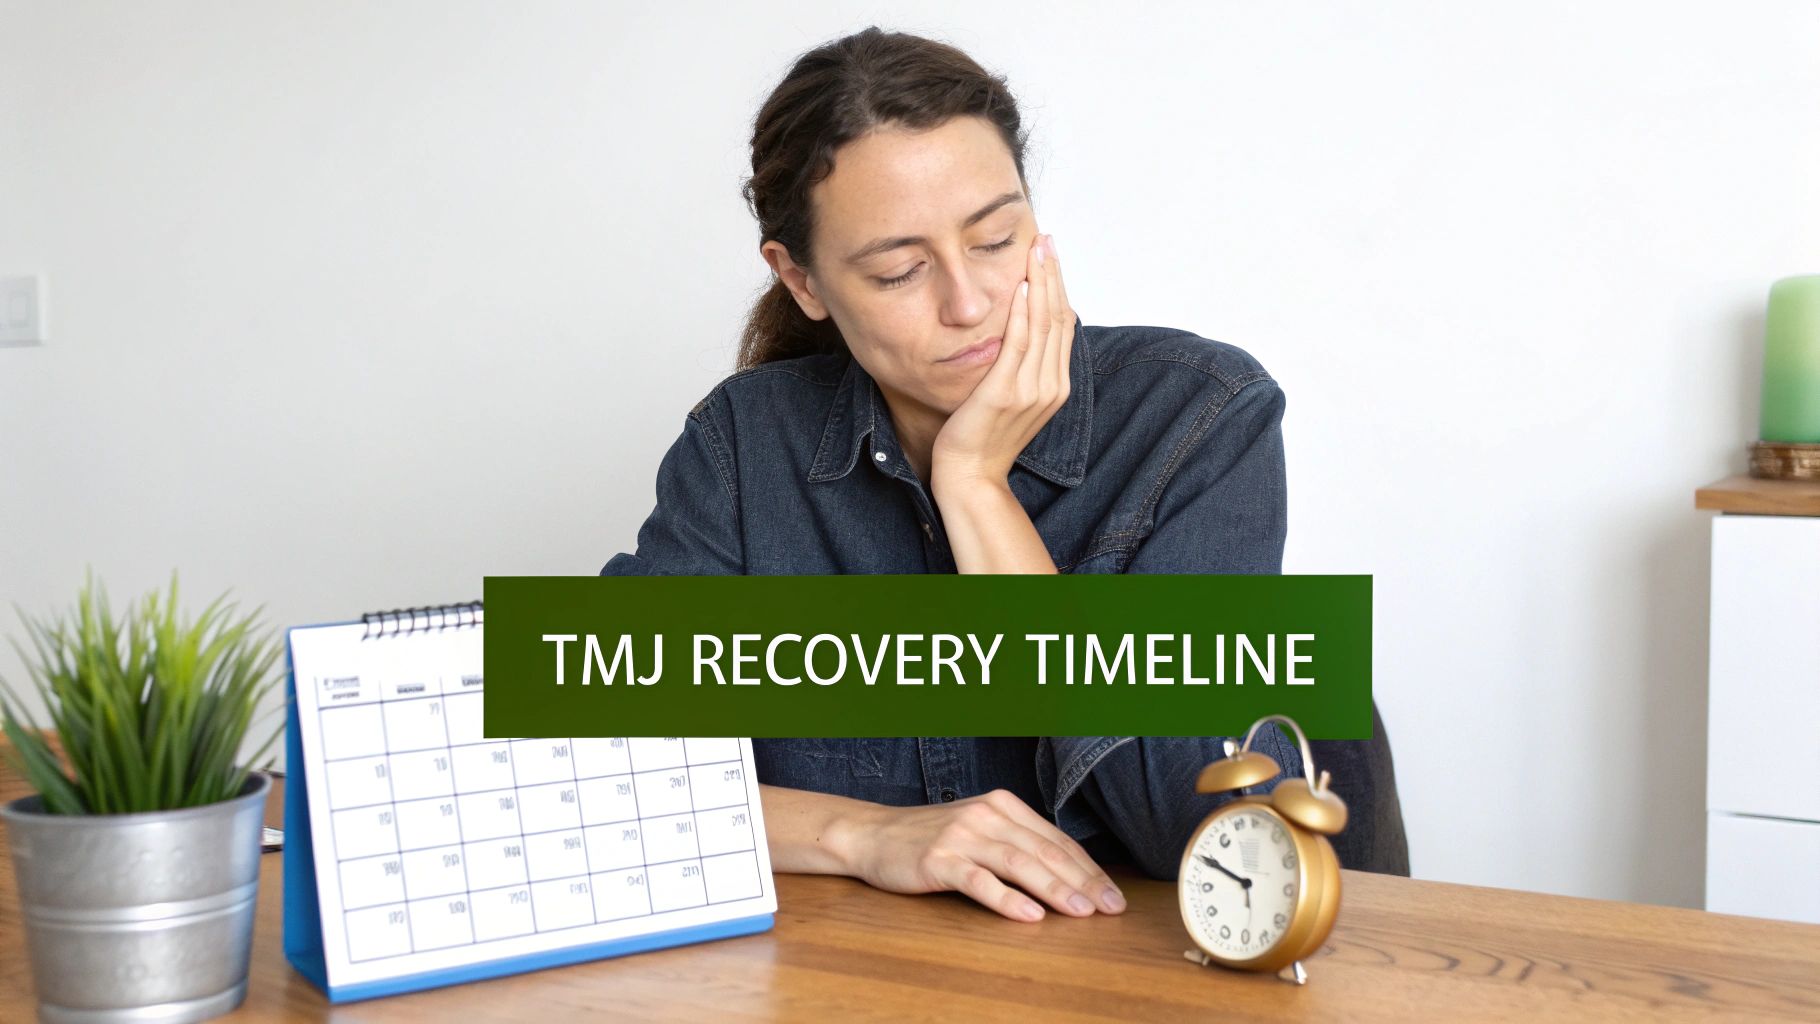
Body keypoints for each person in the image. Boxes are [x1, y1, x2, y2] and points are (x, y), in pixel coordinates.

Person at [600, 26, 1410, 923]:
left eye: (995, 239)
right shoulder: (746, 447)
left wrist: (977, 486)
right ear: (804, 282)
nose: (970, 302)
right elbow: (601, 785)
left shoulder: (1201, 415)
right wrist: (862, 835)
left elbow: (1214, 835)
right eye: (900, 270)